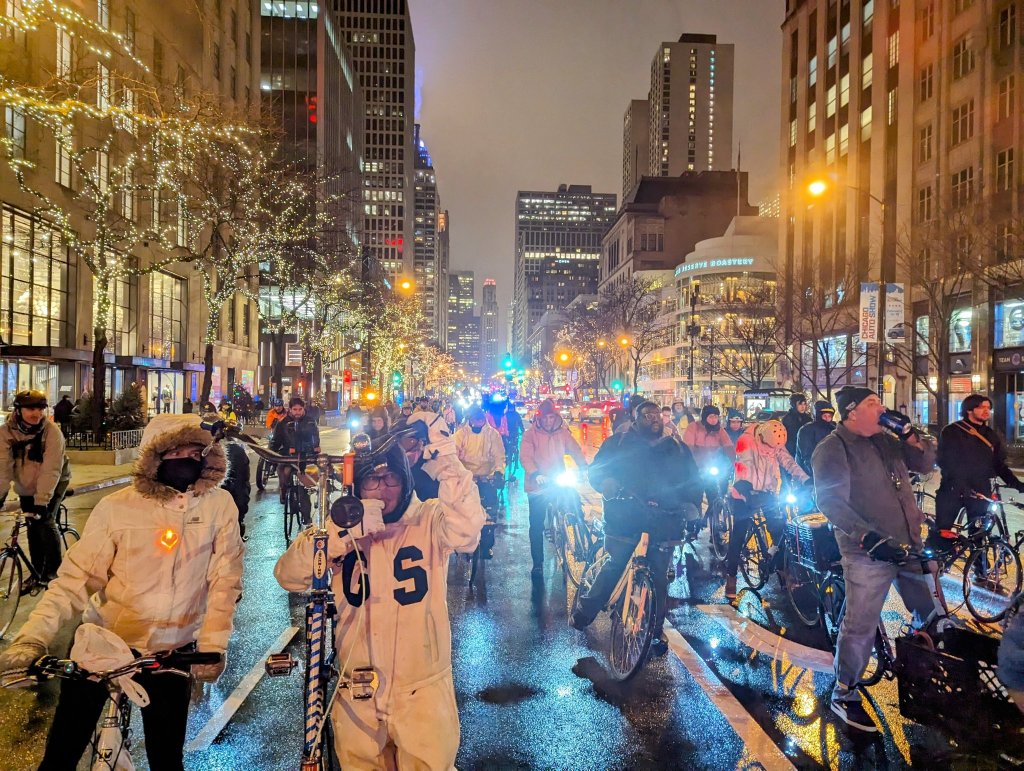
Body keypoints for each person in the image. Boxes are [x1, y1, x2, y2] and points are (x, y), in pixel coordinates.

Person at [0, 413, 243, 768]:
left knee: (166, 759)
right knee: (61, 753)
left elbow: (225, 579)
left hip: (172, 650)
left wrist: (212, 645)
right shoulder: (117, 508)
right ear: (155, 457)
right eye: (176, 453)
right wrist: (33, 637)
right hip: (104, 644)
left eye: (195, 454)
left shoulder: (219, 507)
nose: (187, 461)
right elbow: (75, 579)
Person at [274, 410, 484, 768]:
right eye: (372, 480)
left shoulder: (429, 518)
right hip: (357, 688)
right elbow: (289, 575)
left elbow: (467, 533)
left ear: (406, 481)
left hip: (421, 687)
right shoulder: (337, 530)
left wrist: (448, 462)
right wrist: (342, 534)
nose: (383, 489)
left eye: (391, 478)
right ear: (358, 486)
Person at [812, 386, 942, 732]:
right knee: (860, 625)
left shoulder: (887, 441)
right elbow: (830, 501)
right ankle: (845, 692)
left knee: (932, 614)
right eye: (873, 403)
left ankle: (923, 673)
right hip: (868, 552)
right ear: (852, 411)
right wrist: (867, 537)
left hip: (909, 544)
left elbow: (925, 464)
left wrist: (911, 435)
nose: (882, 408)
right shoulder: (833, 447)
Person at [571, 400, 702, 653]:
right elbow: (597, 470)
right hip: (625, 515)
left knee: (659, 578)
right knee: (616, 564)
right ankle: (585, 611)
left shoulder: (676, 447)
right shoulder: (619, 443)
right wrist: (606, 483)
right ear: (635, 419)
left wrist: (693, 505)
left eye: (657, 414)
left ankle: (655, 631)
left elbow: (693, 480)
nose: (653, 419)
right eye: (647, 415)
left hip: (665, 518)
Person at [725, 419, 809, 599]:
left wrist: (805, 479)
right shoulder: (746, 440)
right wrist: (745, 488)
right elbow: (744, 464)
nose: (772, 451)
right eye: (769, 448)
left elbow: (788, 462)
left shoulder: (775, 441)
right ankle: (731, 576)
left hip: (768, 492)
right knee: (739, 534)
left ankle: (782, 570)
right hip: (744, 492)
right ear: (761, 437)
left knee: (779, 531)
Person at [933, 393, 1024, 549]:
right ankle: (934, 560)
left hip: (980, 491)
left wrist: (1018, 485)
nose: (986, 411)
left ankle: (978, 561)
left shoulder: (990, 435)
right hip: (952, 489)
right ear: (969, 410)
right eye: (981, 407)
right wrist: (961, 485)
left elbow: (999, 465)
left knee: (978, 536)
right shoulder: (951, 431)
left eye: (988, 408)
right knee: (942, 533)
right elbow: (946, 462)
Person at [0, 390, 70, 586]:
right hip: (26, 483)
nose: (37, 414)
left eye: (41, 409)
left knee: (45, 522)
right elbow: (2, 467)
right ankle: (36, 572)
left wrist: (42, 501)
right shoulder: (6, 433)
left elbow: (51, 469)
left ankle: (53, 575)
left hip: (54, 482)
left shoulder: (51, 432)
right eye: (31, 409)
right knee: (32, 526)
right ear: (18, 410)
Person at [520, 399, 587, 576]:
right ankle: (537, 563)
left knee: (574, 502)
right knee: (536, 524)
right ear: (539, 419)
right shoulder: (530, 435)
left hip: (558, 479)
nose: (548, 421)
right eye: (545, 418)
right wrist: (535, 474)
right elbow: (526, 457)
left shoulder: (563, 433)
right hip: (538, 485)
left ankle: (580, 541)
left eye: (551, 418)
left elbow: (575, 449)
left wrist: (583, 466)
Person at [682, 405, 735, 532]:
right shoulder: (693, 428)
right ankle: (693, 524)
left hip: (711, 468)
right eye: (711, 416)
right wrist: (694, 465)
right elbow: (688, 449)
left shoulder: (719, 430)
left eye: (716, 417)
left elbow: (728, 447)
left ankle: (714, 527)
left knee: (715, 496)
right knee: (695, 497)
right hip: (696, 469)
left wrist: (735, 462)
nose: (713, 419)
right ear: (705, 417)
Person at [269, 397, 321, 524]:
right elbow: (275, 441)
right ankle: (284, 489)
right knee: (283, 470)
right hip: (288, 455)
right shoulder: (282, 423)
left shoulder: (310, 421)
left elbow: (315, 437)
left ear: (303, 409)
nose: (297, 412)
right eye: (295, 409)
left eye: (300, 409)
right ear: (290, 409)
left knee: (304, 488)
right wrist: (272, 453)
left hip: (305, 457)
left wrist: (315, 448)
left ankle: (307, 518)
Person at [202, 408, 250, 541]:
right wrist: (239, 516)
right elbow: (242, 487)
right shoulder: (236, 451)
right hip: (228, 515)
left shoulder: (197, 453)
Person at [454, 405, 506, 513]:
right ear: (470, 420)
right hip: (466, 480)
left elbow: (499, 455)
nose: (478, 422)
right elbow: (453, 455)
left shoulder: (492, 434)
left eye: (480, 420)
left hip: (487, 478)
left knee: (491, 509)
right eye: (475, 420)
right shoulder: (461, 434)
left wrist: (498, 472)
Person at [795, 400, 837, 478]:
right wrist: (816, 475)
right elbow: (807, 456)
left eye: (829, 416)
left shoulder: (833, 429)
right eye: (824, 416)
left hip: (829, 473)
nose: (827, 419)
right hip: (808, 475)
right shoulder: (806, 430)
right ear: (818, 415)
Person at [781, 393, 812, 459]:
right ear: (794, 405)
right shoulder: (787, 419)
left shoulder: (808, 418)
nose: (803, 407)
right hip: (791, 452)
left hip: (805, 452)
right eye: (800, 404)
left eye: (804, 404)